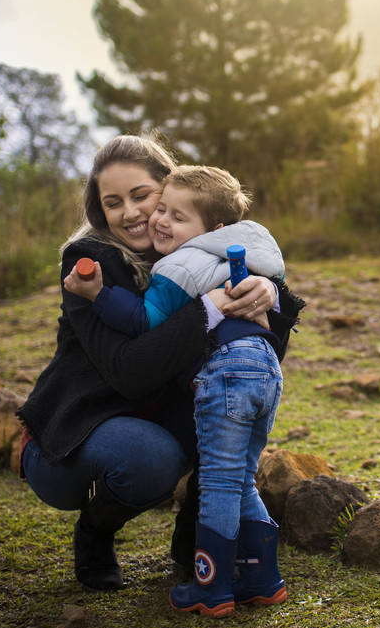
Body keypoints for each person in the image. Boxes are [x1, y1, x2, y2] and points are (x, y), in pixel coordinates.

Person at [16, 134, 298, 593]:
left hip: (156, 420)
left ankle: (196, 555)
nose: (131, 212)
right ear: (99, 210)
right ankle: (94, 531)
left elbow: (254, 352)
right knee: (152, 457)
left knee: (218, 414)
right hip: (76, 432)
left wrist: (267, 293)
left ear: (170, 192)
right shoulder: (89, 264)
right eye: (113, 202)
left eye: (142, 196)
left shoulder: (191, 252)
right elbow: (131, 373)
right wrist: (211, 306)